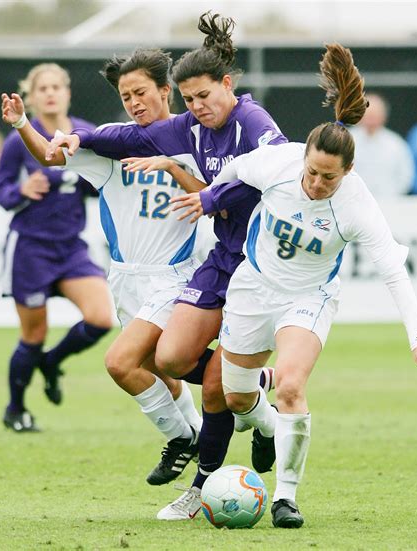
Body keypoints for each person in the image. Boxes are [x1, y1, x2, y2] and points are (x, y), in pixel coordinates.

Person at [172, 43, 417, 529]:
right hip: (253, 287)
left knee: (292, 384)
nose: (317, 184)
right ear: (301, 158)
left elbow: (393, 271)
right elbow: (238, 169)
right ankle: (263, 422)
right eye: (312, 172)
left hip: (308, 298)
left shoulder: (357, 204)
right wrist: (212, 197)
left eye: (329, 178)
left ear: (347, 172)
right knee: (237, 398)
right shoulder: (279, 163)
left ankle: (286, 497)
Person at [45, 11, 286, 520]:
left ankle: (203, 488)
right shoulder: (186, 129)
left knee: (216, 384)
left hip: (262, 268)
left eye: (204, 97)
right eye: (192, 100)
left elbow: (277, 175)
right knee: (171, 359)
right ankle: (261, 407)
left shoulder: (252, 121)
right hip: (222, 259)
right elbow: (124, 140)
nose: (199, 108)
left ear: (227, 85)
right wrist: (78, 139)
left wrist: (208, 192)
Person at [1, 49, 208, 481]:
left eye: (141, 92)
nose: (133, 101)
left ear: (166, 91)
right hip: (126, 278)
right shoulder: (113, 142)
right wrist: (22, 124)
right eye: (125, 94)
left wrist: (173, 167)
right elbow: (50, 156)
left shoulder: (194, 139)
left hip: (175, 276)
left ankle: (191, 435)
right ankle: (207, 433)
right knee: (158, 369)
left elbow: (215, 197)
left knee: (123, 362)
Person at [0, 63, 114, 432]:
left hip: (71, 248)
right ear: (30, 96)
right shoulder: (19, 140)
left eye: (55, 86)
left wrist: (88, 182)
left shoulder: (84, 133)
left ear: (67, 92)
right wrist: (21, 192)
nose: (49, 93)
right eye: (41, 88)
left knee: (101, 318)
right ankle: (16, 409)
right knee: (33, 334)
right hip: (30, 249)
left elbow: (101, 182)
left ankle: (51, 362)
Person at [350, 93, 414, 196]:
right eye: (368, 114)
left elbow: (406, 175)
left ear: (383, 116)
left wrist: (393, 195)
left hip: (389, 203)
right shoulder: (345, 141)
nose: (371, 119)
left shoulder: (396, 144)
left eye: (375, 115)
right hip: (353, 202)